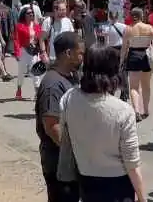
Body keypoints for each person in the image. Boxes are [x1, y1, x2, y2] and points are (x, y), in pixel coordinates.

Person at [59, 44, 146, 202]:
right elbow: (131, 162)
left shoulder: (68, 98)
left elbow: (64, 138)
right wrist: (142, 198)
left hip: (85, 181)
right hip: (118, 186)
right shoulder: (123, 110)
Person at [35, 32, 83, 202]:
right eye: (80, 53)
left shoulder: (70, 76)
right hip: (59, 164)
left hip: (69, 163)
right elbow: (51, 126)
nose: (82, 58)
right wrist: (77, 153)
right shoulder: (52, 85)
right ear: (68, 54)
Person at [121, 7, 153, 121]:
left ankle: (136, 110)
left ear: (132, 16)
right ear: (142, 16)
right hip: (146, 55)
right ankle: (146, 110)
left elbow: (124, 48)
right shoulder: (149, 28)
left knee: (134, 87)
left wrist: (121, 60)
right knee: (146, 85)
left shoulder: (128, 29)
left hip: (133, 55)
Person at [14, 6, 46, 100]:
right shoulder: (19, 26)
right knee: (21, 72)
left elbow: (40, 38)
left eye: (32, 13)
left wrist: (41, 51)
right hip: (24, 51)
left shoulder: (36, 26)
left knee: (36, 72)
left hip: (34, 52)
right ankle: (19, 89)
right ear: (24, 15)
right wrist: (17, 53)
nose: (31, 14)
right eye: (28, 13)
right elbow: (16, 40)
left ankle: (37, 93)